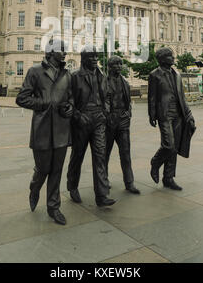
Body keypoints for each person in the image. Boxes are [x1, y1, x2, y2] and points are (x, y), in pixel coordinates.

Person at [16, 39, 73, 225]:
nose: (65, 52)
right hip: (42, 129)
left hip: (62, 130)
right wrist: (44, 104)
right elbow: (22, 98)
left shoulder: (67, 75)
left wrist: (69, 108)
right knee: (43, 169)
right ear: (50, 52)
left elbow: (70, 98)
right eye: (61, 50)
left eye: (65, 49)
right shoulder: (35, 72)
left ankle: (53, 207)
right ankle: (34, 187)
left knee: (57, 170)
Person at [67, 45, 116, 207]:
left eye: (97, 56)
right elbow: (68, 101)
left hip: (99, 120)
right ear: (84, 59)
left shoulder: (102, 76)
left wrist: (105, 111)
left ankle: (101, 196)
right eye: (92, 56)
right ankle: (72, 186)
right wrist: (78, 116)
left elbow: (107, 96)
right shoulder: (74, 77)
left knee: (100, 156)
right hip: (82, 121)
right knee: (78, 155)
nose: (95, 59)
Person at [148, 47, 196, 191]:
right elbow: (152, 97)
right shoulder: (154, 75)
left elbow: (182, 97)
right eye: (170, 55)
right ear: (162, 59)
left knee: (174, 147)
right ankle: (155, 162)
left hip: (179, 114)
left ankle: (168, 178)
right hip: (164, 114)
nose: (173, 57)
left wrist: (189, 114)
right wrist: (152, 114)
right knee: (168, 145)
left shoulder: (177, 74)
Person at [106, 56, 140, 194]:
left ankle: (129, 182)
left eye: (120, 64)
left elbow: (128, 101)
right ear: (109, 66)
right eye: (116, 64)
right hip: (109, 122)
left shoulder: (124, 82)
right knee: (104, 154)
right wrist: (107, 116)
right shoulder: (103, 82)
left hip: (123, 122)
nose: (119, 66)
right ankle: (103, 179)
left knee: (125, 153)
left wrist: (128, 112)